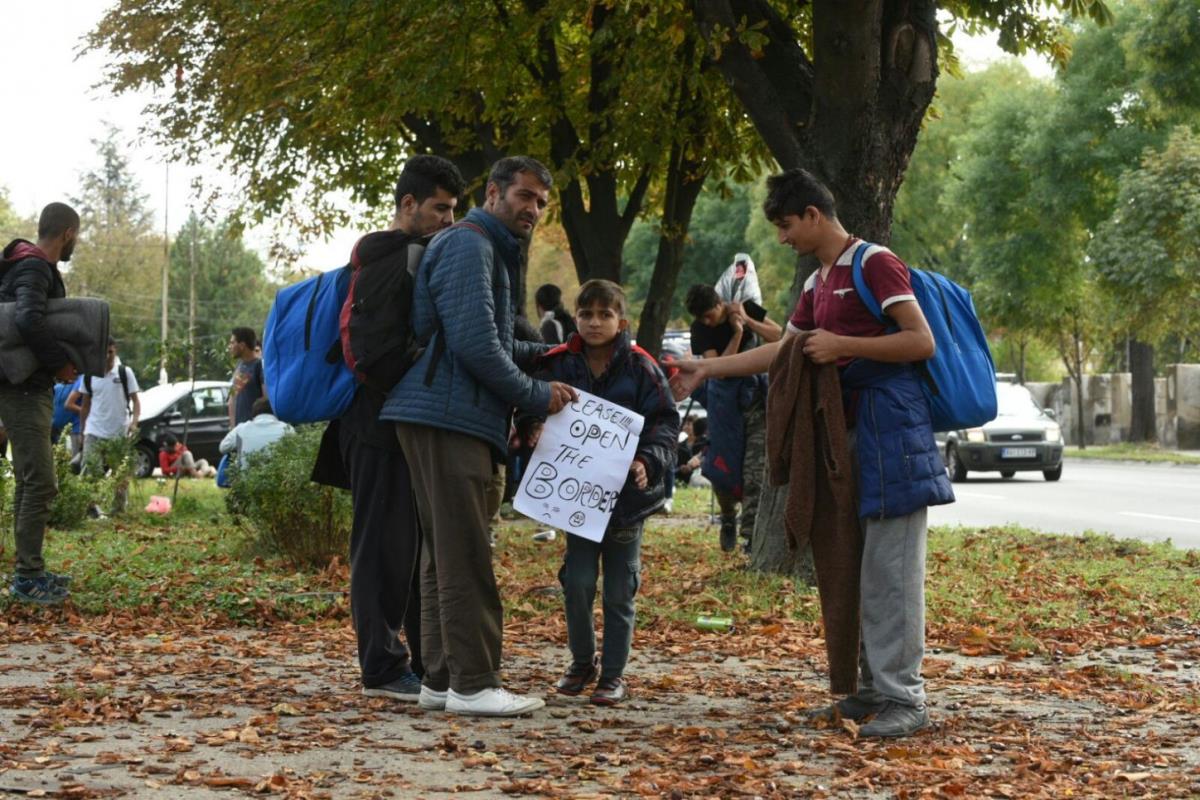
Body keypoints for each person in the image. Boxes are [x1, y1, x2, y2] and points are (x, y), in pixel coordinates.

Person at [669, 167, 954, 739]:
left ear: (813, 215)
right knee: (851, 567)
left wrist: (842, 344)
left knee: (891, 574)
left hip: (893, 436)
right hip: (843, 439)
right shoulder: (817, 281)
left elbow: (920, 341)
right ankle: (872, 691)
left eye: (786, 226)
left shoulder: (874, 263)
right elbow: (788, 351)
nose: (782, 238)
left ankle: (906, 699)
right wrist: (704, 369)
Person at [382, 155, 578, 718]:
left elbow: (483, 337)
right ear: (494, 193)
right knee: (465, 552)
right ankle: (474, 683)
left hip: (437, 411)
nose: (534, 209)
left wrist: (552, 353)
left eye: (542, 202)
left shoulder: (481, 245)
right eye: (525, 196)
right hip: (451, 415)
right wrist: (536, 394)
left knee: (441, 554)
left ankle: (441, 679)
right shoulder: (472, 245)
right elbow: (475, 347)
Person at [336, 155, 466, 703]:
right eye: (440, 208)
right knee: (380, 550)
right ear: (408, 204)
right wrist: (418, 383)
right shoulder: (391, 259)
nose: (448, 219)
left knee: (407, 549)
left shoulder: (404, 255)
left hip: (392, 425)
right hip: (376, 427)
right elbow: (371, 353)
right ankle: (383, 668)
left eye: (454, 209)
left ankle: (417, 663)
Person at [537, 280, 678, 705]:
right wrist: (533, 427)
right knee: (577, 583)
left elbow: (665, 422)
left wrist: (647, 462)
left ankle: (613, 675)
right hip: (576, 499)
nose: (595, 322)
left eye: (605, 314)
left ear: (622, 321)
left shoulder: (642, 367)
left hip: (628, 502)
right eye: (586, 314)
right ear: (575, 317)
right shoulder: (559, 364)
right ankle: (582, 661)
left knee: (620, 590)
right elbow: (530, 405)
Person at [0, 202, 81, 604]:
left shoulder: (26, 264)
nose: (76, 242)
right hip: (23, 388)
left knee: (30, 480)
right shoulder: (34, 267)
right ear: (67, 233)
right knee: (41, 483)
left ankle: (28, 570)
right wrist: (60, 363)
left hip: (26, 385)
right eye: (76, 236)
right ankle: (27, 579)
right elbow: (28, 319)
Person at [685, 284, 780, 552]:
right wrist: (737, 333)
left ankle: (750, 538)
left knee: (755, 472)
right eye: (701, 318)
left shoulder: (745, 307)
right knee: (721, 470)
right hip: (724, 407)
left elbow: (779, 336)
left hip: (755, 402)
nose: (706, 321)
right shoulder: (700, 330)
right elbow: (719, 369)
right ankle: (728, 516)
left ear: (720, 304)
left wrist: (748, 321)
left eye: (709, 315)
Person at [78, 338, 141, 515]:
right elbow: (85, 405)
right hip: (94, 429)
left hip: (118, 431)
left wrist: (134, 422)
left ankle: (118, 509)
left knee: (119, 473)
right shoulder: (89, 375)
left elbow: (136, 401)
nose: (107, 356)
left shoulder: (124, 372)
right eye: (103, 353)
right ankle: (90, 508)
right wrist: (82, 431)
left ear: (115, 350)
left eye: (110, 352)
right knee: (90, 469)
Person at [219, 397, 292, 468]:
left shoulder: (241, 429)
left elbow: (223, 448)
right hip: (280, 475)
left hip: (246, 475)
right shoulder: (287, 429)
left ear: (253, 415)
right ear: (274, 412)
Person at [227, 327, 264, 427]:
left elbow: (266, 400)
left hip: (255, 428)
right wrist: (233, 428)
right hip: (239, 429)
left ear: (242, 345)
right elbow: (233, 398)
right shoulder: (240, 366)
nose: (230, 346)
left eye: (232, 343)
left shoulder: (259, 366)